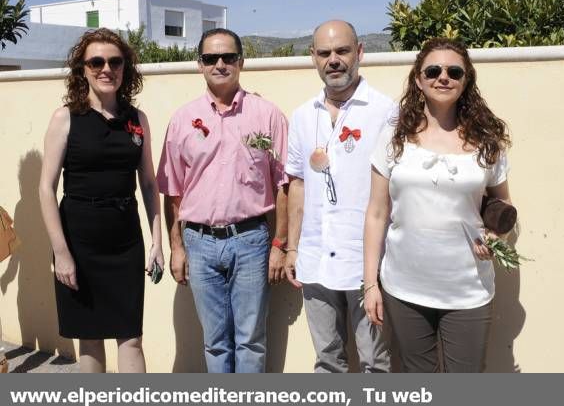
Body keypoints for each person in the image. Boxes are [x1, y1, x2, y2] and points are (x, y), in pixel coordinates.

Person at [364, 37, 513, 372]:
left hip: (467, 287)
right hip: (404, 287)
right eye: (433, 70)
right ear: (418, 79)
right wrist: (371, 284)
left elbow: (503, 204)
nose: (443, 77)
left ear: (466, 80)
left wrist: (496, 237)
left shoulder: (487, 142)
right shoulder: (393, 137)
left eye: (454, 72)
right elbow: (376, 213)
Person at [157, 28, 288, 373]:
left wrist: (280, 243)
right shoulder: (182, 119)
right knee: (214, 342)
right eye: (211, 58)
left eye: (228, 57)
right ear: (199, 65)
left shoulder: (267, 115)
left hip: (251, 241)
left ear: (241, 62)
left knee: (251, 340)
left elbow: (285, 185)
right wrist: (177, 247)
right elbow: (173, 190)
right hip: (198, 244)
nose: (220, 64)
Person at [39, 28, 164, 373]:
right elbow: (46, 189)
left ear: (125, 68)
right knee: (90, 339)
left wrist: (157, 241)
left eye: (115, 61)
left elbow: (149, 184)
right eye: (96, 62)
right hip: (78, 241)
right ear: (82, 69)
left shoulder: (137, 121)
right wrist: (61, 253)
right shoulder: (65, 118)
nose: (106, 68)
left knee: (131, 337)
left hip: (125, 240)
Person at [285, 20, 392, 373]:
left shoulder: (385, 112)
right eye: (324, 53)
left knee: (375, 361)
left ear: (359, 53)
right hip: (315, 260)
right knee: (328, 361)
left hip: (366, 262)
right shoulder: (302, 116)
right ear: (313, 57)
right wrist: (293, 247)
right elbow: (297, 184)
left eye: (342, 51)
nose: (334, 60)